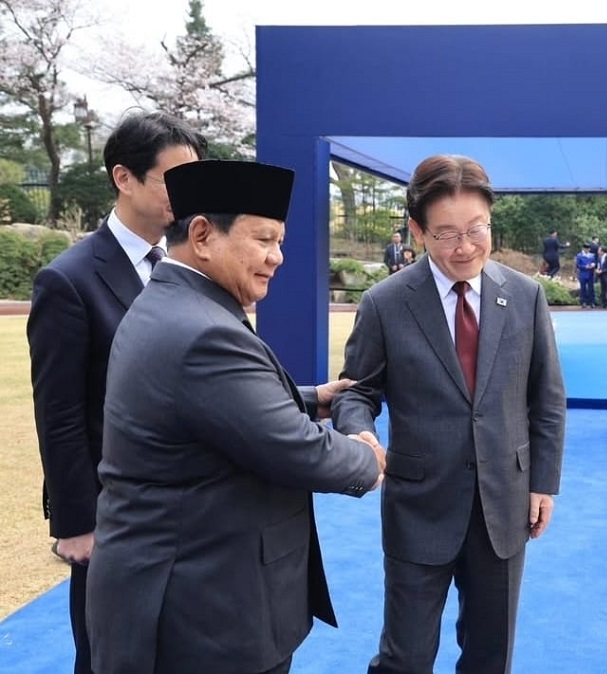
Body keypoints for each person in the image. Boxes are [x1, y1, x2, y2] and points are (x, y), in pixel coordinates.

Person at [86, 160, 387, 674]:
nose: (278, 257)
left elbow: (212, 407)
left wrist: (313, 396)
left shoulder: (173, 303)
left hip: (180, 595)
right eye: (265, 239)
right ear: (202, 235)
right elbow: (299, 450)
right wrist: (367, 457)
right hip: (201, 613)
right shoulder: (205, 332)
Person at [332, 154, 566, 674]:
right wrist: (360, 435)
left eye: (476, 229)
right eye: (445, 234)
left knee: (489, 656)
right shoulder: (386, 302)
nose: (465, 247)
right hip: (419, 507)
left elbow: (545, 398)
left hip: (504, 504)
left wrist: (543, 482)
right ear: (417, 231)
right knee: (405, 658)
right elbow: (355, 393)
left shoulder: (525, 295)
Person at [26, 111, 207, 674]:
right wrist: (76, 522)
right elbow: (58, 412)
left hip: (193, 508)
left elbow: (206, 383)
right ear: (123, 177)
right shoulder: (70, 280)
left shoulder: (196, 266)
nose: (187, 195)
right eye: (171, 180)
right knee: (111, 654)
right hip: (114, 517)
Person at [575, 242, 596, 308]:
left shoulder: (592, 255)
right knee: (583, 289)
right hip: (583, 274)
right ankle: (583, 302)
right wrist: (585, 267)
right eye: (586, 249)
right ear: (583, 249)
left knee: (591, 289)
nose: (587, 250)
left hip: (590, 274)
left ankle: (592, 302)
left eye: (588, 249)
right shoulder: (579, 255)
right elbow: (578, 265)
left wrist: (593, 265)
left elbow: (595, 262)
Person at [595, 244, 607, 309]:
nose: (598, 251)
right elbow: (599, 265)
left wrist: (602, 271)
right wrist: (597, 269)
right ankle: (604, 303)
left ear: (603, 251)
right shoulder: (599, 257)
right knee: (603, 290)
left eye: (599, 250)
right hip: (601, 276)